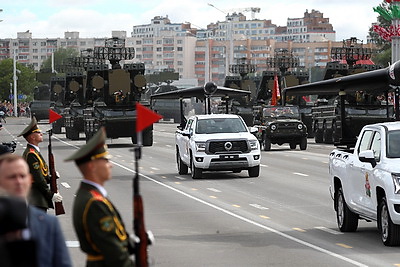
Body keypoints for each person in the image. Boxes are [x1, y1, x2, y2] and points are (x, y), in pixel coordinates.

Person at [65, 127, 135, 267]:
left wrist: (134, 243)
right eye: (106, 161)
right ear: (92, 166)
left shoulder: (90, 194)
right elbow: (114, 253)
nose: (111, 165)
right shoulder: (94, 202)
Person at [0, 153, 72, 267]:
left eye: (22, 176)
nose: (19, 182)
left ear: (29, 180)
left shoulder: (49, 224)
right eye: (12, 177)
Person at [17, 116, 62, 212]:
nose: (41, 133)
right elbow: (38, 178)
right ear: (32, 137)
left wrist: (51, 178)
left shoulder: (34, 152)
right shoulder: (31, 154)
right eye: (38, 132)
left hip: (38, 196)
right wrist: (50, 194)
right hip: (36, 197)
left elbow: (40, 174)